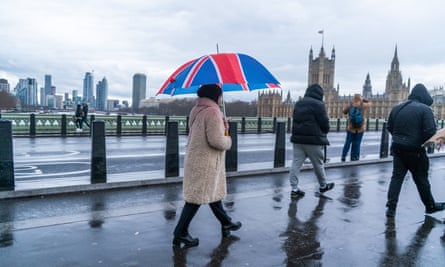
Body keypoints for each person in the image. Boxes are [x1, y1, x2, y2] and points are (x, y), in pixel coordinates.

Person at [172, 84, 241, 248]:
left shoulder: (196, 110)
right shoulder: (213, 112)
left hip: (196, 159)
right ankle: (180, 233)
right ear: (216, 96)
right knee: (195, 199)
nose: (221, 99)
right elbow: (216, 140)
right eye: (220, 96)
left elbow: (203, 133)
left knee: (213, 195)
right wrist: (228, 139)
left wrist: (222, 126)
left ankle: (226, 223)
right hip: (206, 162)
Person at [385, 83, 445, 217]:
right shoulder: (425, 109)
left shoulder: (398, 107)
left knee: (396, 178)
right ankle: (430, 206)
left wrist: (400, 138)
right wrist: (420, 141)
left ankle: (391, 208)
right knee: (421, 179)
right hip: (415, 150)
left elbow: (389, 127)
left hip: (397, 148)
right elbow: (430, 131)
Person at [289, 83, 335, 199]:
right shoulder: (319, 104)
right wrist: (325, 131)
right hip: (313, 140)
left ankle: (294, 189)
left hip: (298, 139)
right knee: (318, 164)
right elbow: (324, 122)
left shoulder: (299, 103)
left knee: (296, 164)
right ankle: (323, 185)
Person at [341, 94, 371, 161]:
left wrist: (349, 106)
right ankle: (355, 156)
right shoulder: (363, 105)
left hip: (351, 128)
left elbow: (344, 112)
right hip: (360, 128)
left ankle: (343, 155)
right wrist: (363, 100)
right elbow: (370, 103)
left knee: (348, 142)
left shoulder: (350, 105)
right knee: (357, 142)